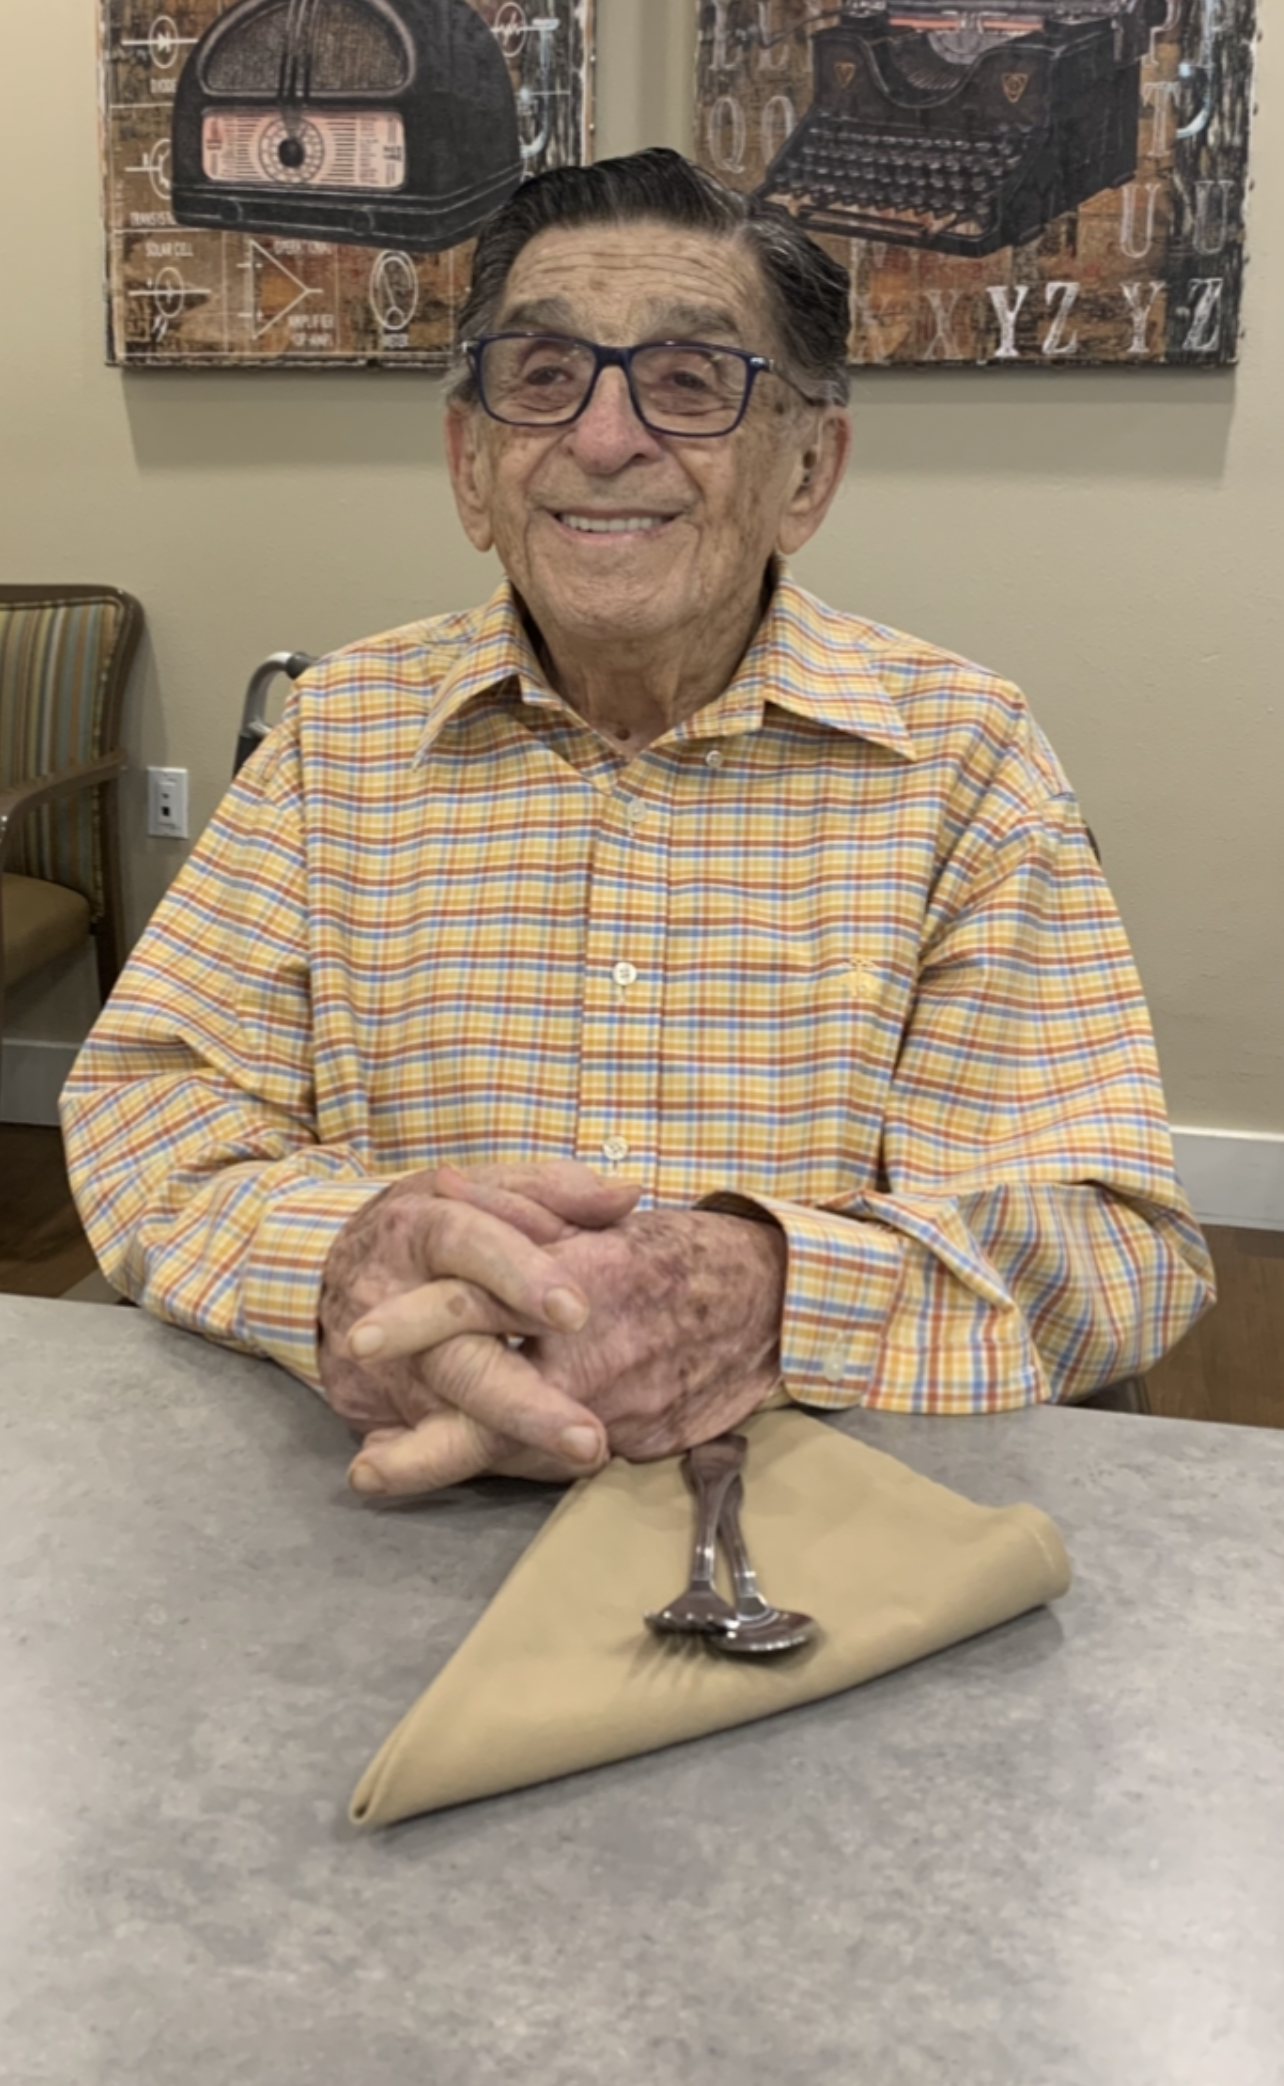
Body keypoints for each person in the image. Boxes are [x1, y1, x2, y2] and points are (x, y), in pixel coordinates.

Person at [61, 149, 1213, 1497]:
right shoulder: (338, 737)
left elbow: (1105, 1237)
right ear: (471, 465)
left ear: (807, 471)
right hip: (387, 1509)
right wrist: (349, 1256)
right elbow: (150, 1109)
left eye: (690, 381)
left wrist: (764, 1296)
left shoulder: (964, 762)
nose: (605, 440)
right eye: (543, 378)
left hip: (812, 1523)